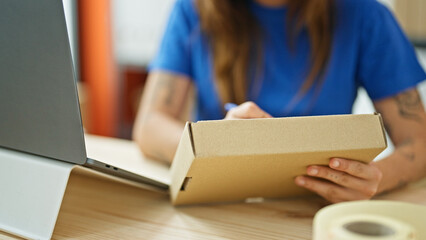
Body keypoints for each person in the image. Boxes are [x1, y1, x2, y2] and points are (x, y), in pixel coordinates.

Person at [133, 0, 426, 203]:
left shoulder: (365, 15)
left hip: (318, 209)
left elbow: (419, 142)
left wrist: (377, 178)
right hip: (217, 206)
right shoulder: (194, 9)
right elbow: (149, 126)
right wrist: (211, 143)